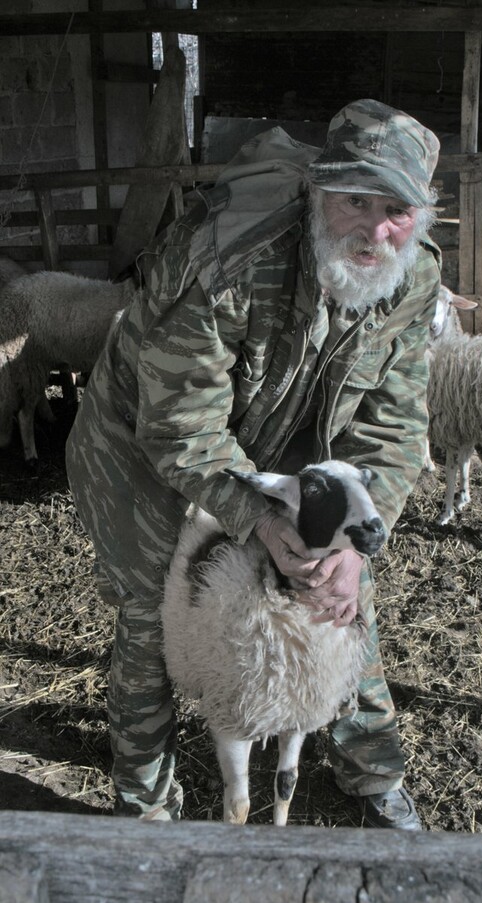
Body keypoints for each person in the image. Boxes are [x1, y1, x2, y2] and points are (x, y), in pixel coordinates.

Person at [66, 98, 441, 830]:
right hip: (141, 446)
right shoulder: (226, 261)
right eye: (354, 201)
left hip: (273, 445)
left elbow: (393, 428)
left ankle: (375, 776)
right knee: (153, 612)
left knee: (335, 600)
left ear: (421, 215)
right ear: (316, 193)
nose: (374, 228)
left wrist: (360, 546)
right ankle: (145, 804)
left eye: (395, 208)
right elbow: (177, 425)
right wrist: (257, 519)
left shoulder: (411, 278)